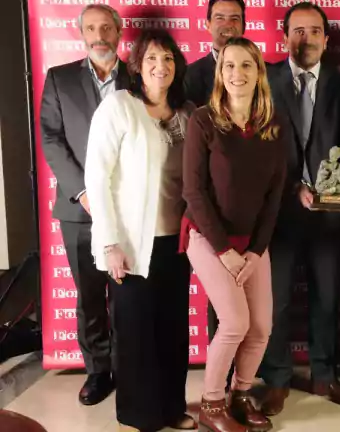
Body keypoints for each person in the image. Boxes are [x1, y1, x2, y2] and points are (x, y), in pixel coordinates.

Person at [83, 29, 196, 432]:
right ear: (137, 67)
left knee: (172, 329)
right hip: (131, 245)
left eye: (167, 59)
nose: (160, 67)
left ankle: (172, 407)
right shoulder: (119, 107)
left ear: (176, 65)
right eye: (151, 59)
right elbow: (97, 178)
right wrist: (109, 243)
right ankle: (138, 415)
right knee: (134, 335)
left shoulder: (186, 112)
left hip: (177, 244)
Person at [257, 2, 340, 415]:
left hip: (328, 217)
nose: (306, 39)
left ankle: (323, 374)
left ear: (326, 38)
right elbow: (255, 146)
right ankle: (277, 379)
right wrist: (292, 187)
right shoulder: (263, 79)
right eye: (298, 31)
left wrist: (332, 192)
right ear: (285, 37)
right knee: (275, 302)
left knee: (326, 298)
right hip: (277, 214)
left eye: (314, 31)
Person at [182, 37, 285, 432]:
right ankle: (211, 404)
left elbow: (275, 193)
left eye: (246, 65)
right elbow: (193, 192)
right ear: (219, 73)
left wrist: (257, 251)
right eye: (229, 66)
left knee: (261, 327)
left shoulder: (273, 123)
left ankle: (241, 393)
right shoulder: (203, 121)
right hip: (209, 239)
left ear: (259, 72)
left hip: (253, 245)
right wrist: (224, 250)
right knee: (235, 322)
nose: (237, 73)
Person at [40, 4, 128, 406]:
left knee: (126, 294)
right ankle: (98, 371)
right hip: (79, 211)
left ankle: (128, 369)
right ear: (81, 34)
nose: (99, 35)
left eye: (106, 27)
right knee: (90, 296)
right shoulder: (58, 79)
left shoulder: (141, 77)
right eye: (91, 28)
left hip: (129, 210)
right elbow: (52, 139)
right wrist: (84, 192)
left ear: (119, 32)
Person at [185, 0, 245, 107]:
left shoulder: (265, 72)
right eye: (220, 18)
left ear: (243, 26)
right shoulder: (189, 76)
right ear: (208, 25)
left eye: (235, 18)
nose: (228, 24)